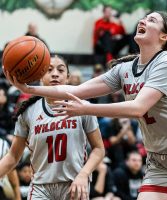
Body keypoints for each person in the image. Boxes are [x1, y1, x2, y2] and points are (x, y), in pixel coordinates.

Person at [4, 12, 167, 200]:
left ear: (163, 37)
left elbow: (137, 108)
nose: (143, 20)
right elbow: (76, 90)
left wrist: (86, 109)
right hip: (160, 157)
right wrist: (30, 89)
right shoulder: (124, 70)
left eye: (151, 20)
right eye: (144, 18)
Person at [0, 55, 105, 200]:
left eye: (60, 70)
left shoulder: (83, 106)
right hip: (40, 188)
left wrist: (84, 174)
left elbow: (99, 149)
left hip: (74, 184)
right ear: (40, 76)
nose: (55, 73)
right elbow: (13, 156)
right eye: (49, 70)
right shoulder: (27, 112)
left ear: (67, 78)